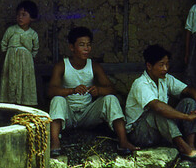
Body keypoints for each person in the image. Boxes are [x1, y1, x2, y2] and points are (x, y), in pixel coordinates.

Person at [48, 27, 137, 157]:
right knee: (57, 99)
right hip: (68, 116)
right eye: (82, 45)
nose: (86, 49)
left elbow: (112, 89)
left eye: (89, 45)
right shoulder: (62, 65)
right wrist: (72, 90)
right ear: (72, 47)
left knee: (110, 98)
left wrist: (99, 90)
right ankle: (55, 142)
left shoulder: (93, 66)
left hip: (87, 114)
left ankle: (123, 141)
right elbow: (50, 91)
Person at [125, 44, 196, 159]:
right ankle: (183, 148)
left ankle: (190, 145)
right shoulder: (140, 84)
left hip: (160, 130)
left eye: (167, 64)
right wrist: (186, 117)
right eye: (161, 65)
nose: (165, 68)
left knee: (189, 102)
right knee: (158, 110)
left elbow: (189, 90)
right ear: (149, 66)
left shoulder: (165, 78)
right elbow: (158, 107)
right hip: (140, 134)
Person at [0, 0, 40, 106]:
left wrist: (27, 57)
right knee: (11, 81)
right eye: (18, 15)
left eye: (24, 15)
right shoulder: (11, 30)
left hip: (26, 64)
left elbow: (35, 49)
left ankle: (25, 103)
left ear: (32, 18)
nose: (20, 17)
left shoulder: (33, 34)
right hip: (11, 62)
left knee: (25, 82)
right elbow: (4, 43)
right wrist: (10, 55)